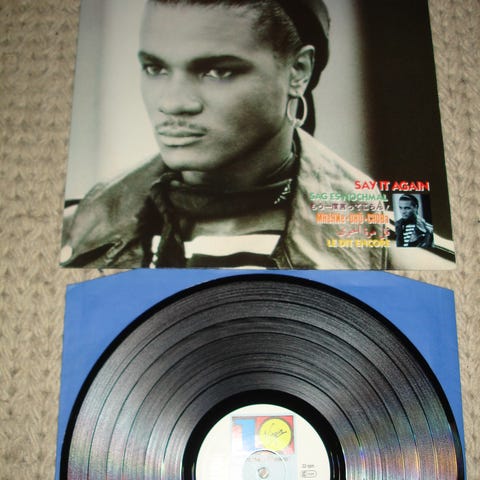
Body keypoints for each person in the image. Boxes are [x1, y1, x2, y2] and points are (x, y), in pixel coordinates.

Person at [61, 0, 389, 269]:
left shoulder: (390, 237)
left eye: (218, 71)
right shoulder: (74, 233)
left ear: (298, 72)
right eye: (155, 68)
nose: (173, 103)